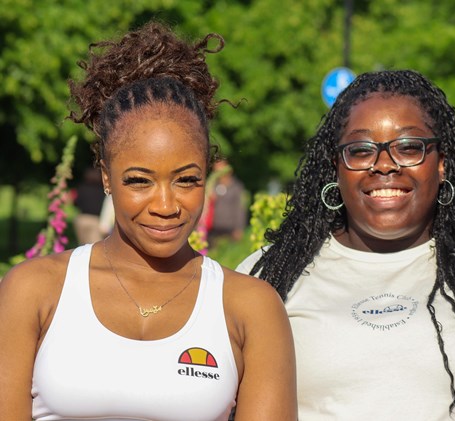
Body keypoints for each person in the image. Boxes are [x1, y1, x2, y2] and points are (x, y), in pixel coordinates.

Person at [0, 21, 296, 420]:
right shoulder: (33, 290)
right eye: (139, 180)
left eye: (186, 180)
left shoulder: (250, 307)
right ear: (106, 176)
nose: (165, 204)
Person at [236, 69, 455, 420]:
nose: (384, 165)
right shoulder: (265, 281)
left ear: (442, 163)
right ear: (335, 168)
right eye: (360, 150)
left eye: (408, 147)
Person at [204, 159, 248, 246]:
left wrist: (239, 228)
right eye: (216, 170)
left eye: (221, 169)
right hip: (213, 229)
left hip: (230, 230)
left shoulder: (237, 187)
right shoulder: (212, 186)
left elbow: (241, 208)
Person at [73, 166, 107, 244]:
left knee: (82, 247)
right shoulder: (102, 191)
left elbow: (75, 203)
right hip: (95, 220)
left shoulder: (81, 188)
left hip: (81, 219)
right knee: (94, 247)